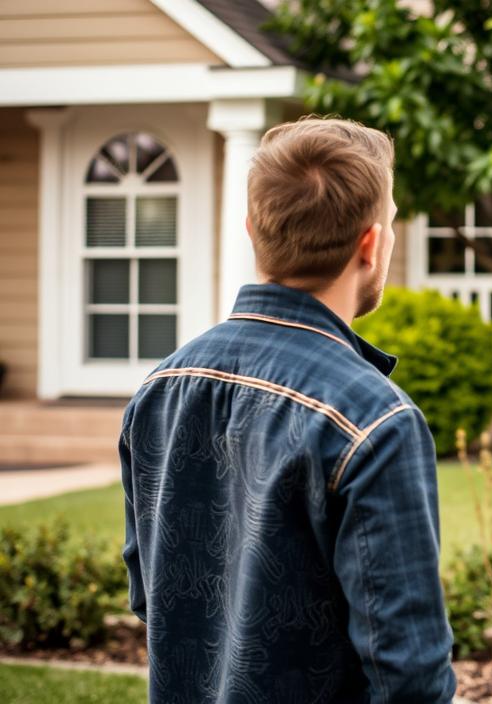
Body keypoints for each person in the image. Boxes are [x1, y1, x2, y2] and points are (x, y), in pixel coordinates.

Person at [119, 117, 457, 703]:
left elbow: (152, 596)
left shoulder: (159, 389)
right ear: (372, 243)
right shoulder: (377, 422)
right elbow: (409, 674)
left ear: (252, 230)